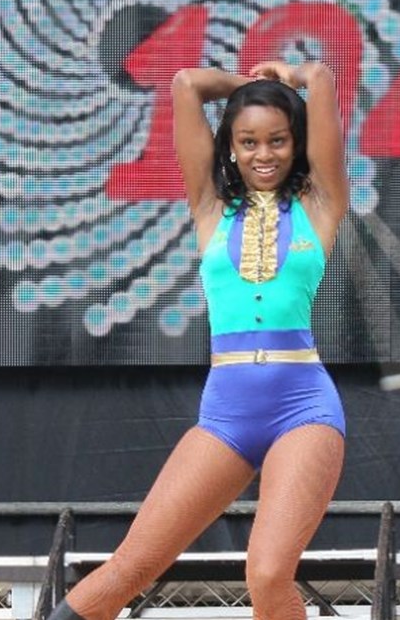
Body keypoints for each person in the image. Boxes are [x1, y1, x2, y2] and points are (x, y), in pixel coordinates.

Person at [47, 60, 351, 620]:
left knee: (267, 574)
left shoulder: (320, 205)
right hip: (226, 414)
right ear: (230, 147)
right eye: (249, 141)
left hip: (303, 408)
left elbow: (322, 79)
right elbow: (187, 84)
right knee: (129, 568)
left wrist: (287, 80)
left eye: (279, 140)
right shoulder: (211, 208)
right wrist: (250, 86)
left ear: (297, 143)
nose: (264, 154)